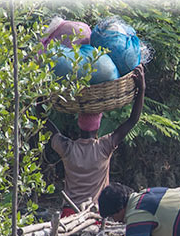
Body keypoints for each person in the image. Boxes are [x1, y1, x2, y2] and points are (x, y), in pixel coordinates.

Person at [40, 65, 145, 217]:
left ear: (79, 124)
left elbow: (44, 120)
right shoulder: (104, 146)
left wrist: (39, 96)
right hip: (95, 214)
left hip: (69, 214)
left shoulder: (67, 148)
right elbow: (132, 121)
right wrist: (141, 89)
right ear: (98, 125)